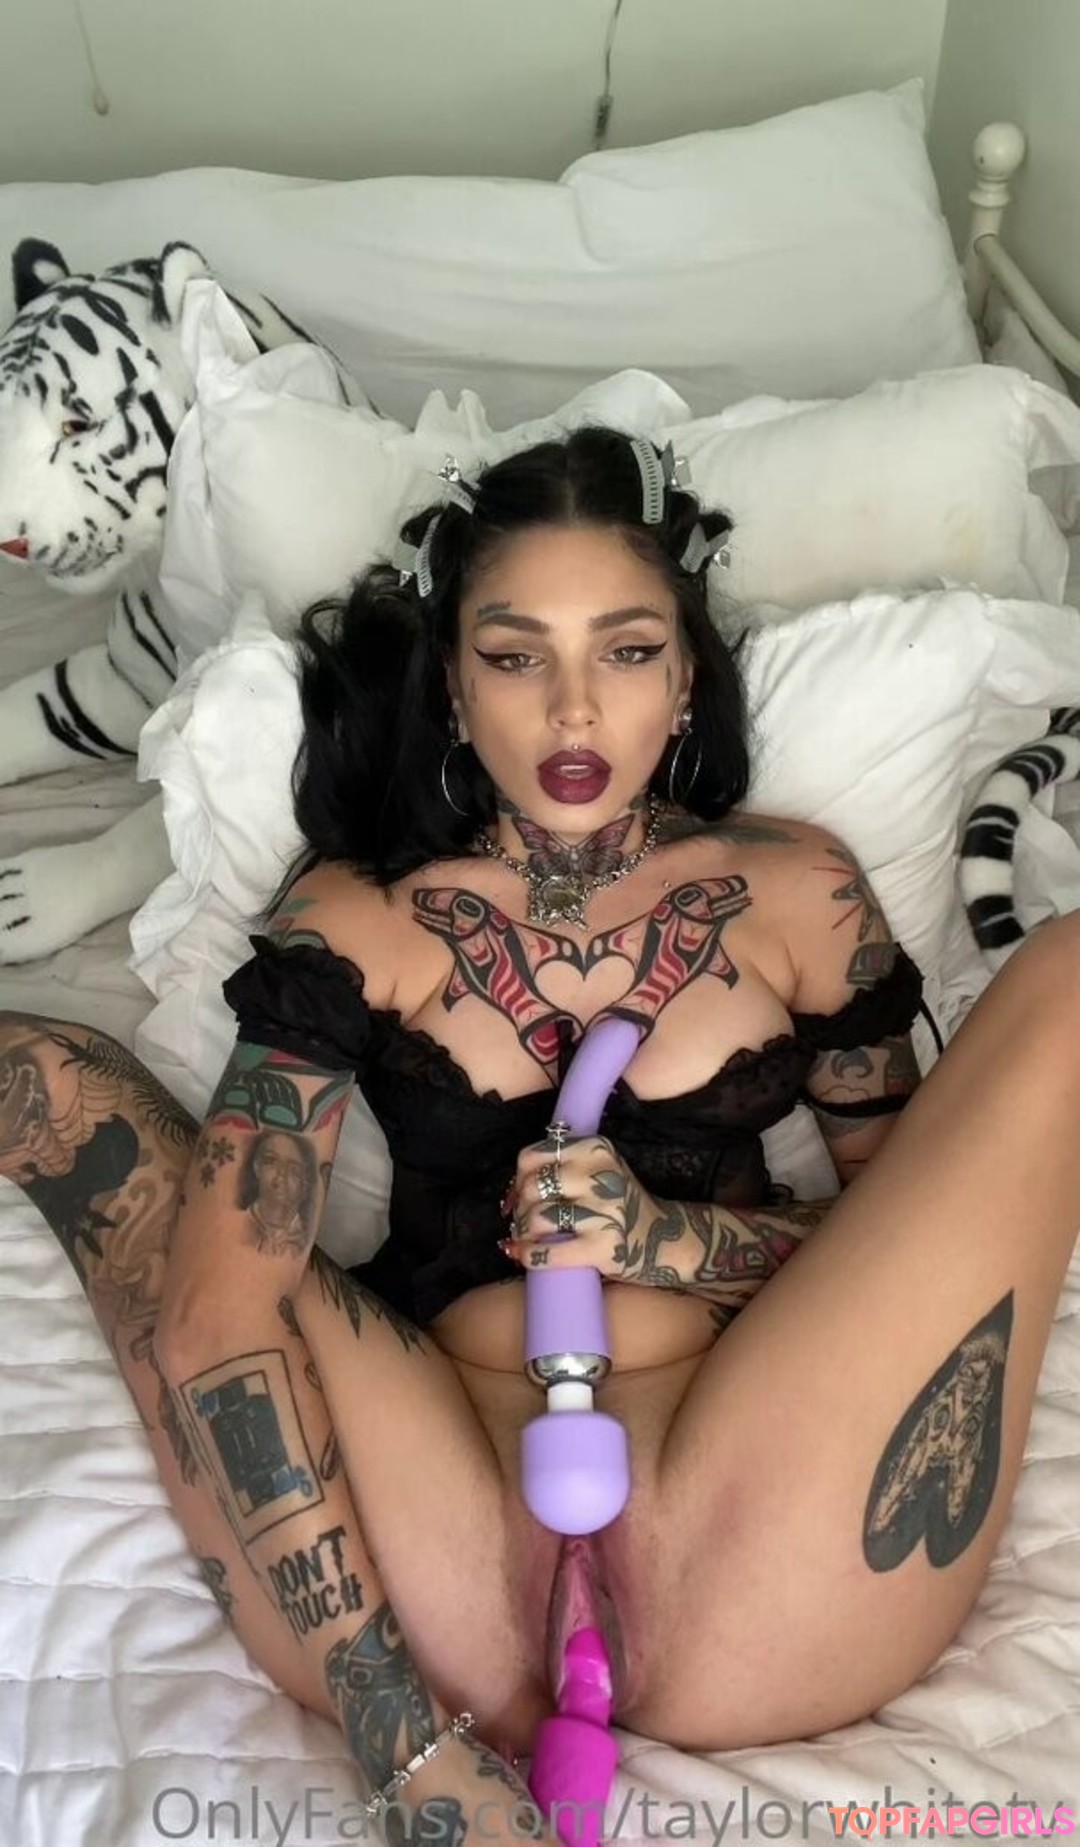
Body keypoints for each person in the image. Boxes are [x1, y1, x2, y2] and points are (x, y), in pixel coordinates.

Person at [2, 425, 1079, 1846]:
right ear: (454, 683)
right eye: (517, 657)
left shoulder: (797, 891)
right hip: (442, 1547)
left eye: (626, 651)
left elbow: (908, 1239)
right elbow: (219, 1305)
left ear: (684, 675)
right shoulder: (361, 912)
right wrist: (418, 1763)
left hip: (766, 1526)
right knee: (52, 1076)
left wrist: (666, 1240)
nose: (575, 710)